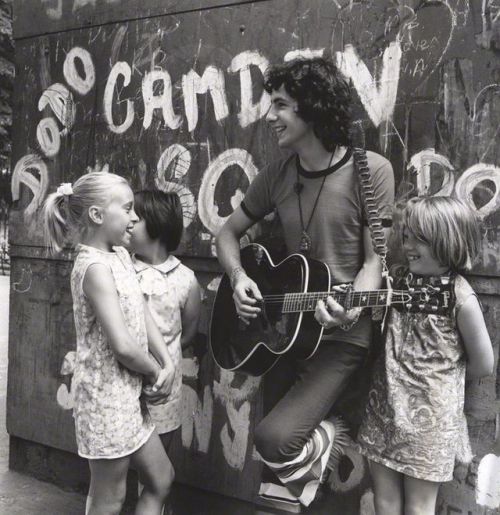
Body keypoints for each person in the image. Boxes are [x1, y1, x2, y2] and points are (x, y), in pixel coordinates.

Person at [215, 57, 394, 512]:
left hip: (343, 336)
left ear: (311, 109)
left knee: (275, 440)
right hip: (285, 332)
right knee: (275, 482)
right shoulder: (277, 174)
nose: (269, 116)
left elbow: (376, 260)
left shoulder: (371, 170)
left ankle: (338, 432)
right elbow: (227, 234)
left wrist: (350, 305)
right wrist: (238, 278)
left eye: (280, 105)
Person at [43, 172, 176, 515]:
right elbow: (123, 346)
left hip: (129, 401)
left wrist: (168, 363)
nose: (135, 217)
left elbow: (141, 308)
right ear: (98, 216)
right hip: (105, 403)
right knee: (109, 499)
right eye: (128, 209)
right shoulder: (93, 268)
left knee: (161, 479)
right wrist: (155, 373)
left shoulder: (119, 255)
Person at [357, 196, 494, 515]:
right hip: (385, 407)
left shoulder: (460, 297)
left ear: (449, 242)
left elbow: (483, 364)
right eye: (407, 236)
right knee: (385, 500)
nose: (408, 245)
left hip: (430, 420)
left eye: (421, 239)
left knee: (419, 507)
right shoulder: (398, 279)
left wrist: (439, 384)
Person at [129, 189, 201, 452]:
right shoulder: (122, 270)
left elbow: (189, 333)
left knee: (158, 466)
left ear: (157, 224)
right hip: (123, 386)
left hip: (163, 390)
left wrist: (163, 358)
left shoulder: (186, 280)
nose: (128, 223)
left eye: (134, 219)